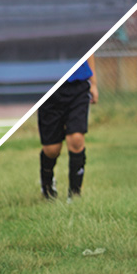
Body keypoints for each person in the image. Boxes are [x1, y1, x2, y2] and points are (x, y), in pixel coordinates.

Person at [37, 55, 97, 200]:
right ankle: (47, 184)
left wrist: (93, 83)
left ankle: (75, 194)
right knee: (52, 149)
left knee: (76, 139)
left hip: (78, 86)